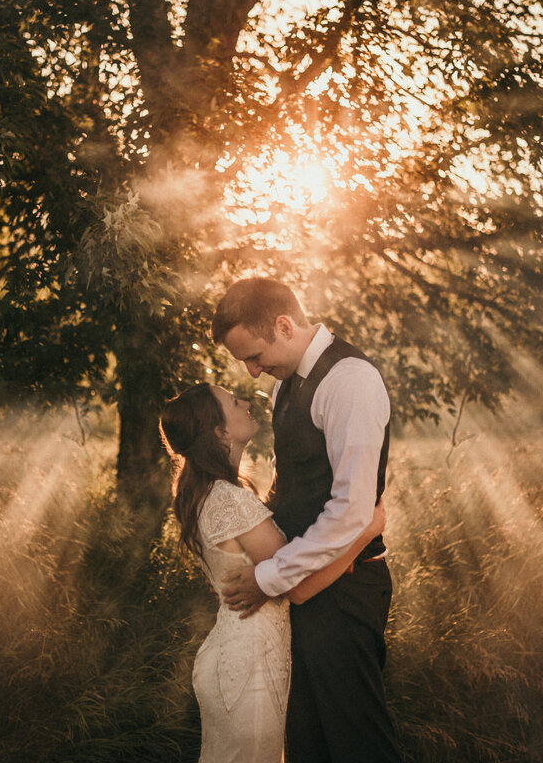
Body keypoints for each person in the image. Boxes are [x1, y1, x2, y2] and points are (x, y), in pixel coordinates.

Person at [213, 277, 402, 763]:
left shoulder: (349, 380)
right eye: (245, 363)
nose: (254, 373)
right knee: (308, 739)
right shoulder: (288, 383)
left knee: (357, 739)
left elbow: (351, 509)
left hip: (344, 588)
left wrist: (268, 577)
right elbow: (294, 477)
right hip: (302, 583)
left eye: (255, 356)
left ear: (283, 324)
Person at [160, 384, 385, 763]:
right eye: (234, 402)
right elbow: (296, 585)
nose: (246, 402)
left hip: (238, 655)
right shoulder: (229, 498)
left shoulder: (211, 492)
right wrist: (365, 533)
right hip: (249, 668)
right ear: (220, 432)